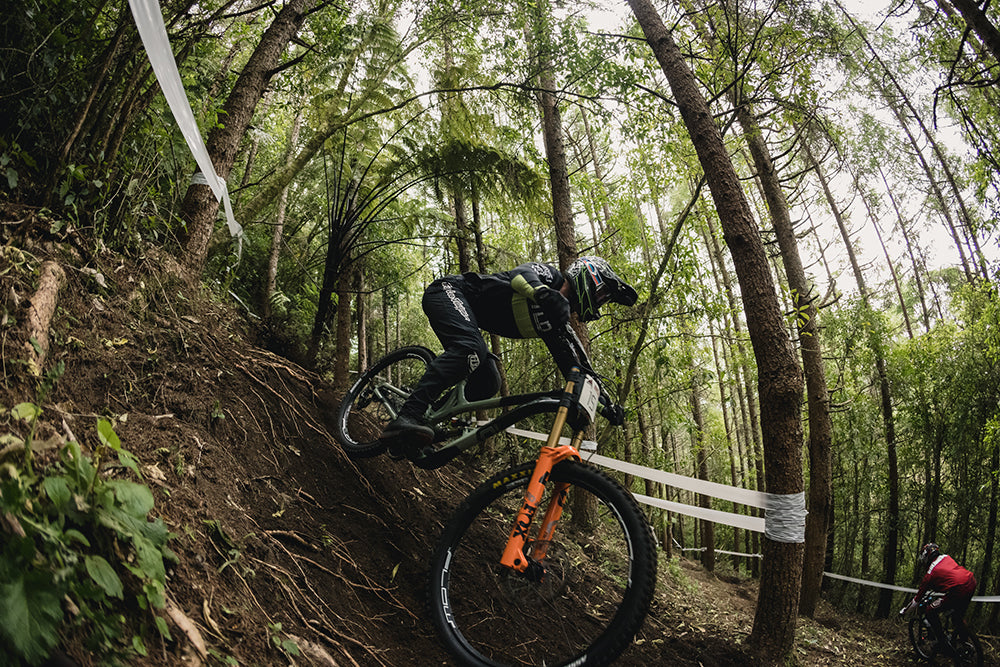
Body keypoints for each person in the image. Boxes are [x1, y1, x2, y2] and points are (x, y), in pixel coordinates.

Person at [380, 256, 638, 453]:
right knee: (471, 348)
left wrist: (605, 406)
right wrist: (542, 293)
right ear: (587, 276)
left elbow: (576, 369)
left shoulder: (555, 325)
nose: (601, 301)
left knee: (489, 380)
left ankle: (427, 416)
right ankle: (408, 414)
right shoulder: (551, 277)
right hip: (449, 291)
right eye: (602, 294)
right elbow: (520, 274)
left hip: (468, 317)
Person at [899, 543, 977, 653]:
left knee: (930, 611)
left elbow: (916, 600)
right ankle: (965, 643)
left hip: (958, 589)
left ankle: (942, 642)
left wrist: (905, 611)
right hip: (971, 581)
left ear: (926, 557)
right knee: (957, 617)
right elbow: (950, 576)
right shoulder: (946, 557)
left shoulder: (930, 573)